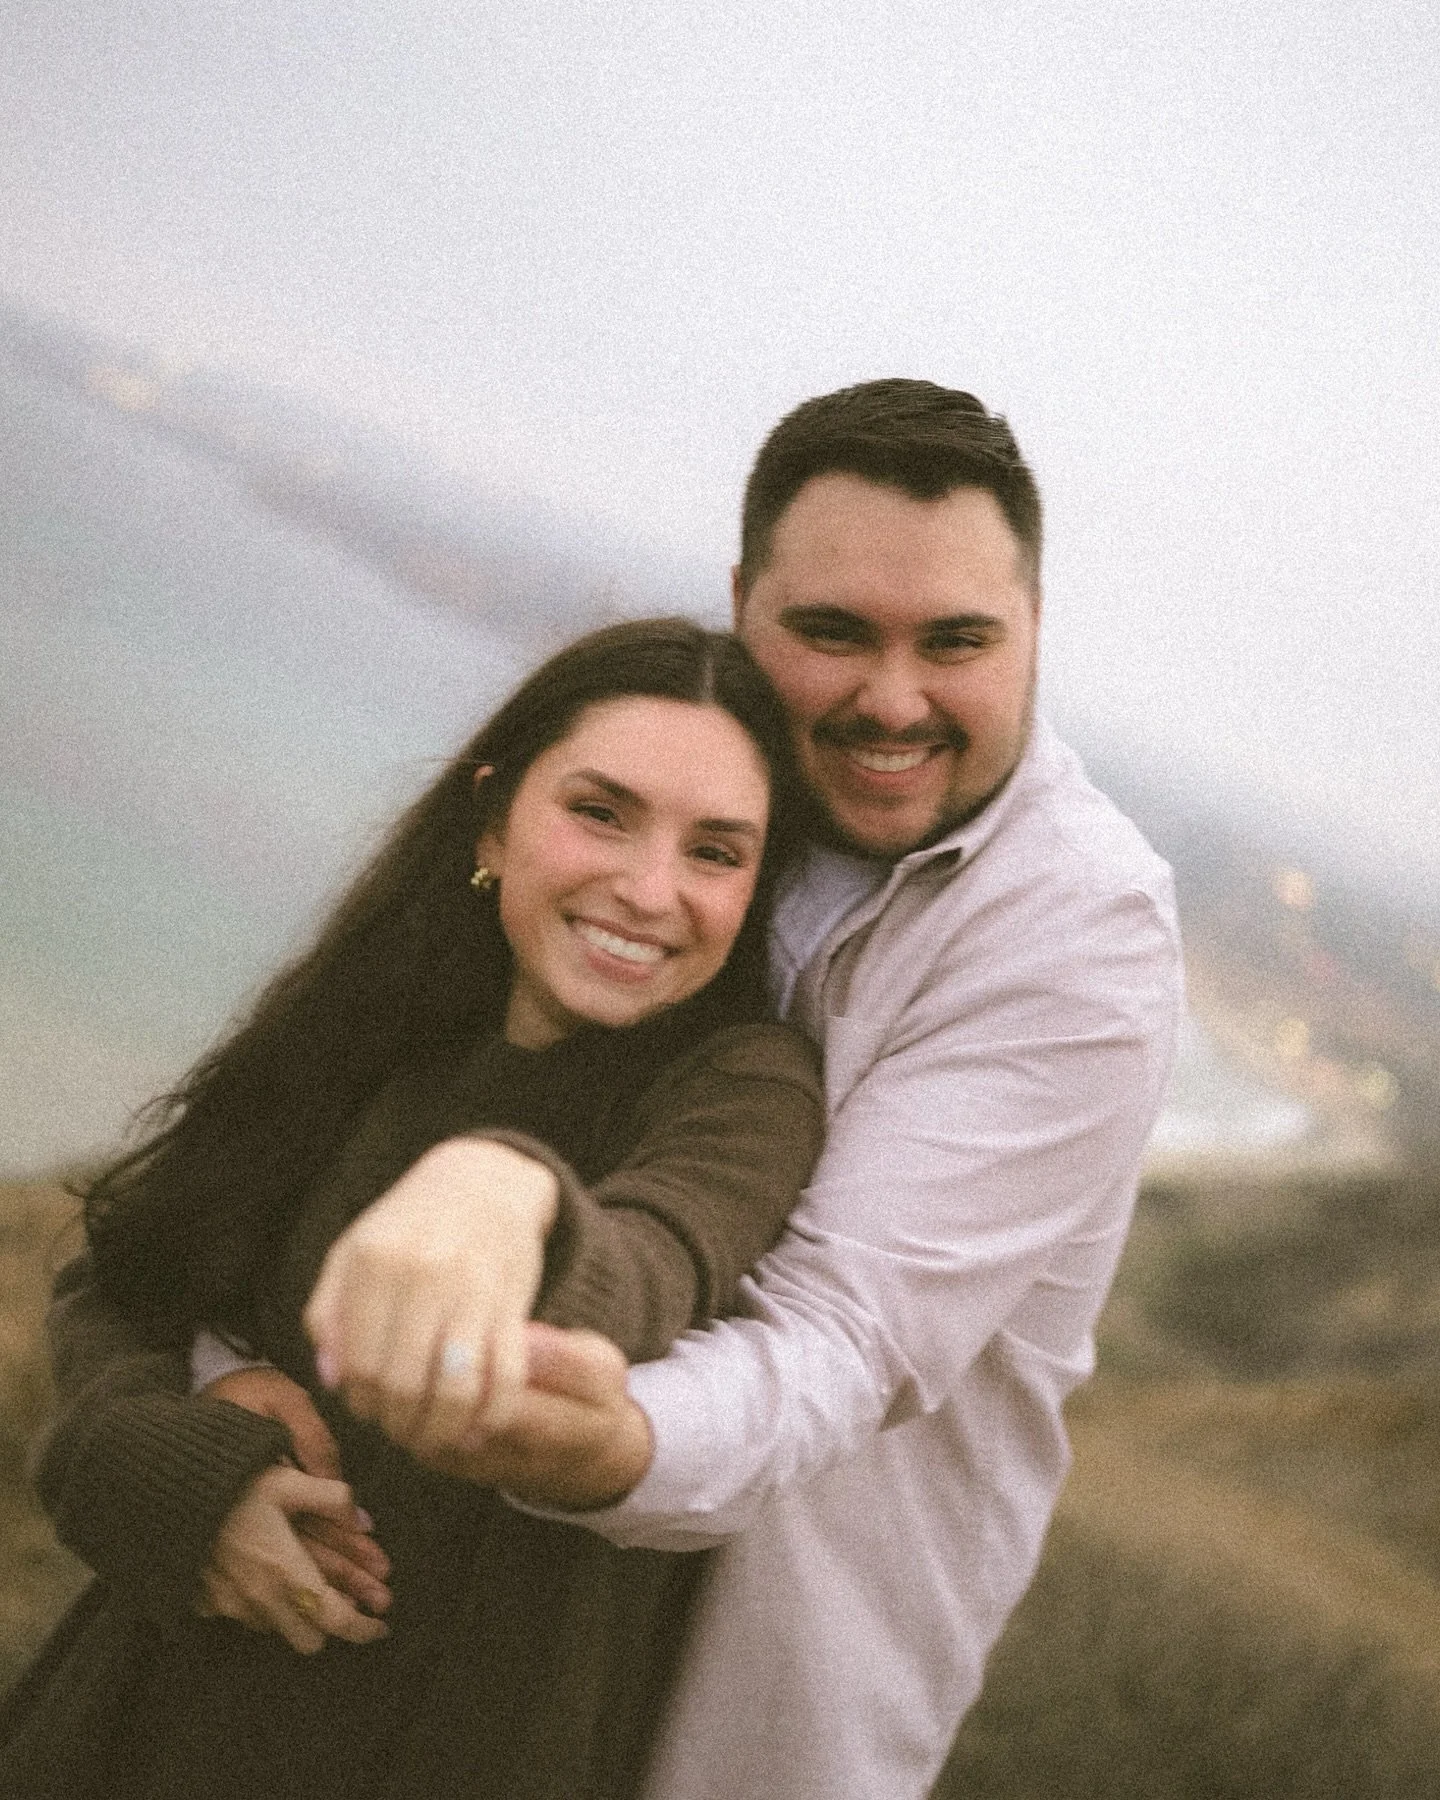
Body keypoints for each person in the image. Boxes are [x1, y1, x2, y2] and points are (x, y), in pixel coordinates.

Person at [337, 380, 1185, 1800]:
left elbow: (843, 1339)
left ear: (1035, 622)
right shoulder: (680, 814)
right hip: (432, 1617)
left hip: (742, 1713)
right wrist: (221, 1398)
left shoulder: (1082, 932)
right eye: (834, 631)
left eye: (958, 641)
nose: (893, 700)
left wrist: (617, 1439)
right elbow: (314, 1127)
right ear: (744, 603)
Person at [0, 619, 826, 1799]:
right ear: (494, 819)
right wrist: (180, 1467)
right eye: (600, 812)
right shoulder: (375, 1023)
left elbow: (657, 1260)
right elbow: (128, 1276)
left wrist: (509, 1192)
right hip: (131, 1725)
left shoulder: (747, 1087)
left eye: (716, 851)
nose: (650, 891)